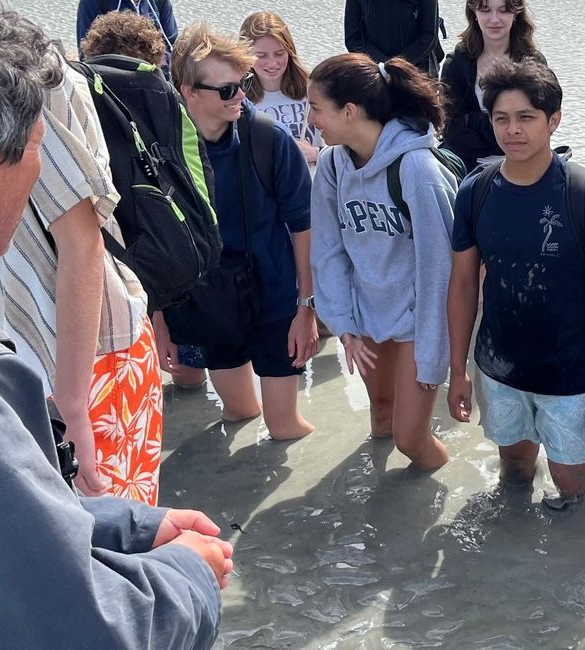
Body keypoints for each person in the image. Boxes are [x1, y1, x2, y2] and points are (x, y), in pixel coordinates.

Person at [0, 0, 230, 646]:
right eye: (37, 151)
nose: (42, 169)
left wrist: (119, 526)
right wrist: (190, 574)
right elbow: (87, 630)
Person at [0, 49, 165, 504]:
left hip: (89, 360)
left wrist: (73, 408)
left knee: (114, 543)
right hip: (12, 356)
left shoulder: (25, 71)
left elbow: (83, 241)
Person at [447, 59, 585, 508]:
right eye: (501, 118)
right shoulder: (476, 190)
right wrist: (458, 371)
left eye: (526, 118)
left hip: (571, 376)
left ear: (554, 121)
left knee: (574, 493)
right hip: (501, 368)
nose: (513, 130)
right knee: (512, 477)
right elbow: (463, 285)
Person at [164, 23, 318, 441]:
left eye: (244, 84)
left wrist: (307, 307)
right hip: (208, 298)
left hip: (274, 297)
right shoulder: (164, 149)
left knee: (284, 427)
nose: (242, 96)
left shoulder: (270, 140)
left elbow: (303, 226)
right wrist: (160, 322)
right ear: (188, 92)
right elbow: (150, 239)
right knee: (237, 412)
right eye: (228, 89)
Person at [308, 53, 455, 470]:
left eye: (316, 108)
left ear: (349, 111)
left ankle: (451, 513)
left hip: (416, 318)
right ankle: (386, 523)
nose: (311, 120)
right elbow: (328, 250)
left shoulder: (416, 168)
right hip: (368, 311)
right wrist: (344, 325)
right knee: (382, 420)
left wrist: (432, 355)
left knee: (411, 439)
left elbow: (439, 270)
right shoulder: (334, 164)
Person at [81, 9, 211, 390]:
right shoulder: (161, 97)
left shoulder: (80, 94)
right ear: (153, 59)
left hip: (101, 259)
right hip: (166, 250)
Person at [441, 0, 543, 173]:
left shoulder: (534, 62)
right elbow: (453, 134)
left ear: (516, 13)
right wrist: (509, 130)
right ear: (473, 12)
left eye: (503, 11)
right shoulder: (455, 64)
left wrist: (473, 120)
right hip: (465, 168)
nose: (494, 19)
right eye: (486, 10)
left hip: (522, 166)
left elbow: (538, 128)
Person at [240, 11, 323, 165]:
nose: (272, 63)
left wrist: (317, 154)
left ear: (290, 52)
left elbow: (344, 148)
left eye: (279, 54)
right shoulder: (238, 98)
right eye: (261, 56)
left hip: (313, 184)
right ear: (245, 55)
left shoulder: (314, 89)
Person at [344, 0, 442, 77]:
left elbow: (429, 36)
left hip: (417, 70)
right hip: (375, 71)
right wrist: (382, 66)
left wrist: (397, 66)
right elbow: (353, 39)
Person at [76, 0, 177, 70]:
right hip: (107, 79)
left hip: (154, 78)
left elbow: (172, 48)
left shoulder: (160, 2)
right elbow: (85, 54)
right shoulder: (91, 2)